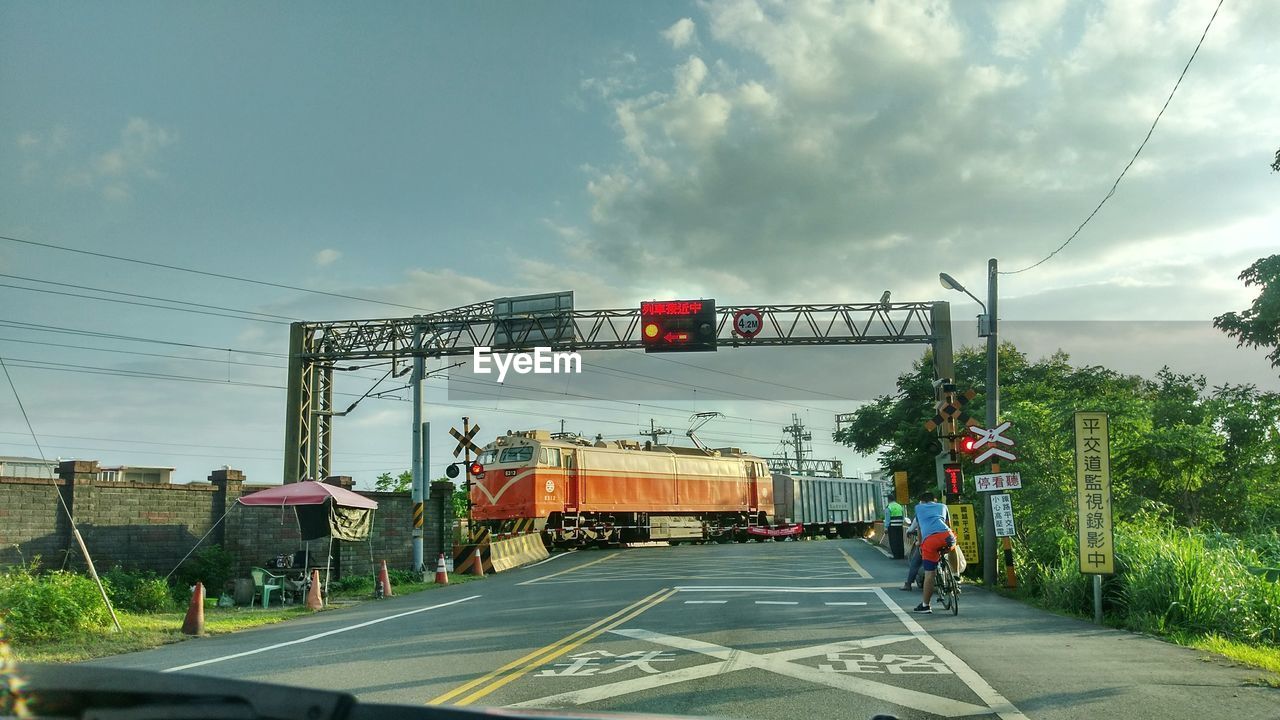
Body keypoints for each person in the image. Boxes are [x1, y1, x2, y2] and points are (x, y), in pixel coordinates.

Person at [912, 491, 955, 614]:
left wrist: (919, 543)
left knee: (929, 574)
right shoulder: (943, 506)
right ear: (934, 500)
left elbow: (919, 529)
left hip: (930, 541)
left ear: (921, 501)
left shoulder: (918, 508)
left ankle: (926, 605)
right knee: (954, 545)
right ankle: (956, 575)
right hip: (947, 536)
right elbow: (949, 525)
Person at [901, 514, 922, 591]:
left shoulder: (920, 512)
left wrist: (908, 531)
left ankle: (908, 584)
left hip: (927, 542)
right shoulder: (942, 508)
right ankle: (955, 578)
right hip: (945, 539)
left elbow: (913, 528)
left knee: (915, 562)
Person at [884, 493, 905, 559]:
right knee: (900, 540)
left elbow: (887, 518)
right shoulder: (899, 506)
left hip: (892, 526)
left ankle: (896, 555)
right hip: (899, 525)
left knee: (893, 541)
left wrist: (886, 527)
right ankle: (901, 555)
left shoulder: (889, 507)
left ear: (888, 499)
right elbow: (903, 516)